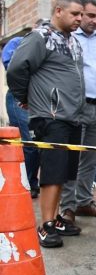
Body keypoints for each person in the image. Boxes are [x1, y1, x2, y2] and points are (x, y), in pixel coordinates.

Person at [7, 0, 84, 248]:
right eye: (75, 14)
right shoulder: (41, 37)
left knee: (63, 171)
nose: (80, 19)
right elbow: (17, 68)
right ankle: (46, 225)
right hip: (52, 116)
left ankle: (57, 218)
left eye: (81, 14)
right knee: (51, 171)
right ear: (59, 11)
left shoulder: (72, 41)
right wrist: (24, 97)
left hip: (71, 116)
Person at [60, 0, 96, 225]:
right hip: (74, 107)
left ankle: (83, 202)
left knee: (91, 159)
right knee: (71, 157)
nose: (95, 20)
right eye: (90, 15)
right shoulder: (68, 37)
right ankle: (67, 207)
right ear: (80, 13)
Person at [2, 18, 45, 198]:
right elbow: (12, 66)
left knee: (36, 144)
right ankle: (24, 183)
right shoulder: (17, 42)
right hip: (19, 96)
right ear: (34, 29)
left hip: (38, 98)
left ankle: (31, 182)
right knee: (26, 142)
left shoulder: (49, 47)